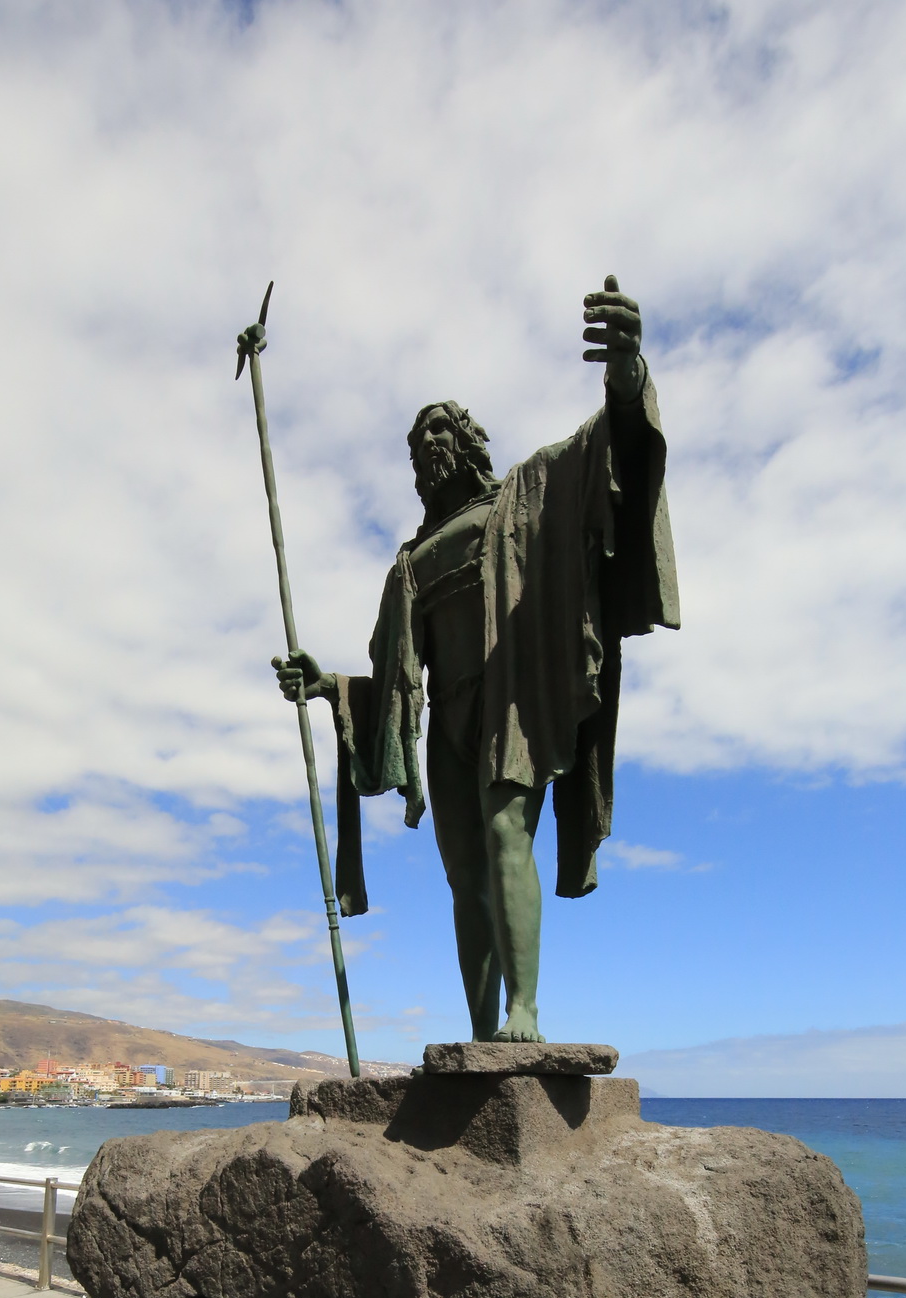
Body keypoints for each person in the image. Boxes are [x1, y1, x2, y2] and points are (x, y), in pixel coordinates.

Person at [273, 275, 679, 1042]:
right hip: (448, 723)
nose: (425, 447)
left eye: (437, 432)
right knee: (464, 878)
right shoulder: (411, 560)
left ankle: (525, 1011)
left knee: (503, 841)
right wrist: (328, 686)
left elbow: (608, 455)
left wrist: (628, 374)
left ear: (464, 441)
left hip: (509, 704)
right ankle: (484, 1032)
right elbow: (397, 680)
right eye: (414, 443)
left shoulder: (520, 497)